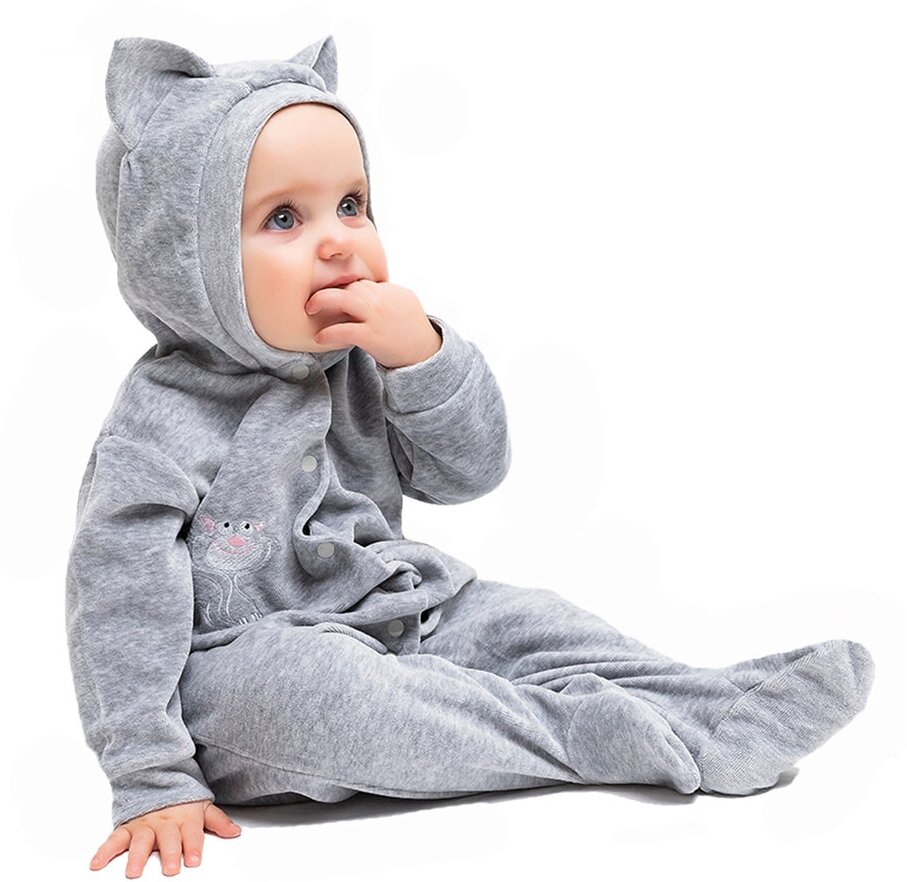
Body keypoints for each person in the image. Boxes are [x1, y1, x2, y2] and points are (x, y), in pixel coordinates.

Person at [68, 35, 875, 878]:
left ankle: (712, 702)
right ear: (182, 257)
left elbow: (467, 473)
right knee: (324, 693)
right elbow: (116, 607)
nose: (339, 242)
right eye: (284, 219)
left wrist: (421, 357)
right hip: (241, 675)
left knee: (531, 621)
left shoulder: (362, 357)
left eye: (351, 204)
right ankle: (607, 738)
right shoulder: (159, 426)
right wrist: (152, 775)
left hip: (403, 606)